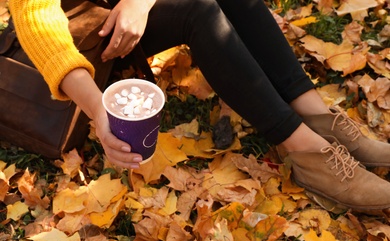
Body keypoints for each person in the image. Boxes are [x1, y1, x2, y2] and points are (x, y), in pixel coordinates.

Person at [9, 0, 390, 210]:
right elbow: (38, 24)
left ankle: (316, 116)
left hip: (122, 11)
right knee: (200, 11)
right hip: (82, 44)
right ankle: (310, 154)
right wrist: (99, 109)